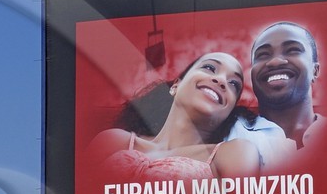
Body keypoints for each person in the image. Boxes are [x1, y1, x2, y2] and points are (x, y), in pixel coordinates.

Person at [88, 52, 263, 181]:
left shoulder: (234, 153)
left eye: (234, 84)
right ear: (175, 86)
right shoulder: (112, 141)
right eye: (209, 68)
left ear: (228, 112)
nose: (222, 81)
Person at [226, 21, 327, 170]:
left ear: (315, 70)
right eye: (263, 55)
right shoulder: (224, 134)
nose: (275, 61)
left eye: (292, 50)